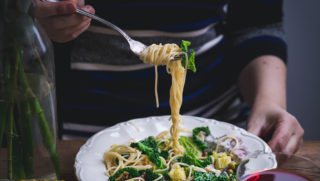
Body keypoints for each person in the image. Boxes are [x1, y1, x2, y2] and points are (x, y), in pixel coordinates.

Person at [35, 0, 304, 153]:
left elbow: (257, 24)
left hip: (213, 132)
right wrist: (33, 15)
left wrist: (269, 102)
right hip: (82, 133)